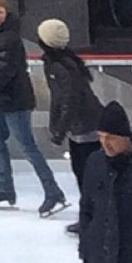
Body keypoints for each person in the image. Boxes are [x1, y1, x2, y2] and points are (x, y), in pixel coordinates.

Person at [0, 0, 67, 215]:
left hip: (15, 100)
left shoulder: (9, 37)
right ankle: (5, 189)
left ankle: (53, 192)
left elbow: (6, 69)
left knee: (27, 146)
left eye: (0, 11)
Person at [80, 101, 132, 263]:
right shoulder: (95, 162)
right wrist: (87, 258)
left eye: (111, 137)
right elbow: (87, 211)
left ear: (125, 137)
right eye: (101, 137)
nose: (105, 143)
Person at [40, 19, 107, 205]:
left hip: (85, 125)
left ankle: (94, 215)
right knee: (84, 171)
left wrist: (59, 130)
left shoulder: (60, 66)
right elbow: (61, 99)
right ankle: (91, 214)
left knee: (86, 172)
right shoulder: (63, 62)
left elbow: (69, 100)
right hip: (82, 124)